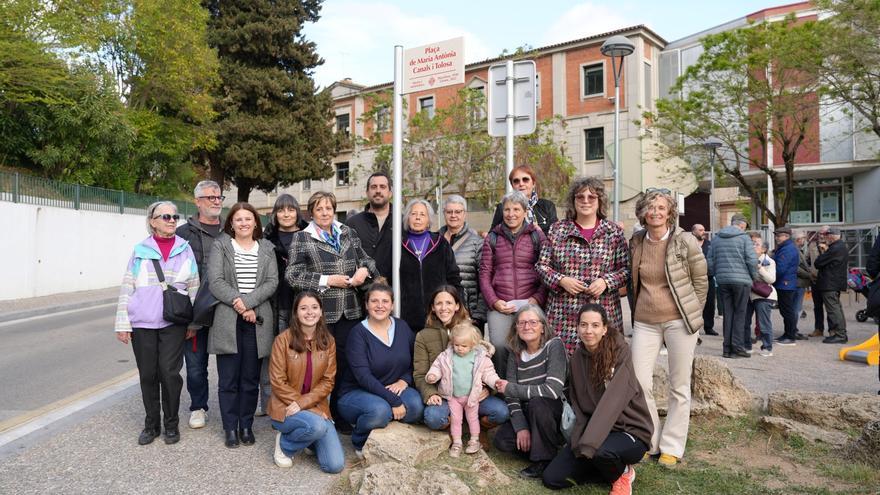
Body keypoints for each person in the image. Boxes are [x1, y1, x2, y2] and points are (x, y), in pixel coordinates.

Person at [286, 191, 379, 428]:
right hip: (319, 314)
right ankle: (312, 414)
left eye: (328, 208)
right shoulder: (302, 238)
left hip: (350, 310)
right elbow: (293, 276)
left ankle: (341, 415)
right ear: (311, 213)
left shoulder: (347, 232)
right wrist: (327, 280)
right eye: (319, 209)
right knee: (318, 366)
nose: (325, 213)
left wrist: (363, 272)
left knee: (346, 364)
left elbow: (368, 261)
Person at [628, 190, 707, 468]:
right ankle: (650, 440)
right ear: (643, 213)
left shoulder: (684, 241)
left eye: (661, 207)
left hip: (679, 322)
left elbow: (701, 280)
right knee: (638, 382)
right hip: (645, 322)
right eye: (651, 208)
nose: (656, 212)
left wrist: (693, 315)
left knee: (679, 385)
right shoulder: (636, 241)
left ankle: (672, 446)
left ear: (670, 212)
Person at [542, 304, 652, 493]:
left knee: (601, 452)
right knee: (553, 478)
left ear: (604, 329)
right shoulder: (576, 359)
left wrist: (588, 444)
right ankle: (603, 467)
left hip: (629, 430)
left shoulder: (620, 352)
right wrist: (579, 439)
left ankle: (623, 473)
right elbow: (578, 404)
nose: (588, 331)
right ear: (577, 328)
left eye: (594, 325)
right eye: (583, 325)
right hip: (595, 429)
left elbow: (612, 403)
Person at [115, 201, 199, 446]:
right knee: (148, 375)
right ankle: (151, 424)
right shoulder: (140, 250)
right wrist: (123, 323)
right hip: (142, 323)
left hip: (174, 322)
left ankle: (171, 424)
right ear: (152, 221)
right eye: (165, 216)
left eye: (175, 216)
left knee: (170, 373)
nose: (171, 220)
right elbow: (127, 286)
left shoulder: (185, 249)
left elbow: (194, 285)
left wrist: (194, 323)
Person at [208, 202, 278, 448]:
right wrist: (240, 306)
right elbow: (215, 281)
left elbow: (271, 282)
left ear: (256, 223)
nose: (244, 223)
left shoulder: (267, 248)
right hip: (228, 320)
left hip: (257, 322)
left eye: (249, 219)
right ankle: (230, 427)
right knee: (228, 379)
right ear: (231, 223)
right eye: (238, 219)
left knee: (250, 378)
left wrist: (249, 304)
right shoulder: (221, 246)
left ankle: (246, 425)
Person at [536, 177, 630, 356]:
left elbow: (625, 269)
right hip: (563, 313)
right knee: (563, 368)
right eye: (580, 197)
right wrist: (561, 280)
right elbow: (542, 266)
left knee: (603, 366)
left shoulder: (613, 232)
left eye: (591, 197)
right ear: (573, 201)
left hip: (603, 310)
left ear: (599, 201)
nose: (585, 201)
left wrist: (606, 281)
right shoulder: (557, 230)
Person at [336, 283, 424, 457]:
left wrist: (404, 380)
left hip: (393, 386)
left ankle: (383, 431)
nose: (380, 305)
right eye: (374, 301)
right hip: (357, 392)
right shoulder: (358, 334)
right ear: (366, 305)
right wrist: (394, 401)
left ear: (392, 305)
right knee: (380, 411)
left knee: (415, 406)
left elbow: (415, 361)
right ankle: (360, 440)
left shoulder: (402, 327)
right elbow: (363, 377)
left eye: (385, 301)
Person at [414, 286, 510, 432]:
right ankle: (456, 425)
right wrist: (430, 393)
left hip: (472, 394)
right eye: (439, 303)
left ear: (457, 306)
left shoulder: (472, 330)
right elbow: (420, 373)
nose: (444, 308)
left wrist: (487, 389)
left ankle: (479, 428)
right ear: (433, 307)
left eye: (449, 303)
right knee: (433, 417)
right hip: (445, 394)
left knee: (501, 412)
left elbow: (483, 365)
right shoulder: (423, 336)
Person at [267, 291, 344, 473]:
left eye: (314, 307)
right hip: (285, 408)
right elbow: (277, 382)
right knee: (316, 426)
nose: (310, 312)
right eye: (303, 308)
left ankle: (307, 439)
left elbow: (327, 382)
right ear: (296, 313)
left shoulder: (329, 341)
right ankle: (285, 445)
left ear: (321, 311)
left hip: (316, 408)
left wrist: (304, 404)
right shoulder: (282, 340)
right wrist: (305, 406)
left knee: (335, 465)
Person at [494, 305, 568, 479]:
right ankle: (545, 447)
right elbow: (511, 398)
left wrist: (509, 388)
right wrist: (522, 427)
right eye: (522, 323)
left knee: (537, 403)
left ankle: (544, 460)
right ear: (516, 328)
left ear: (543, 327)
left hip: (551, 410)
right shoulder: (515, 353)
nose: (527, 327)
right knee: (502, 441)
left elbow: (552, 390)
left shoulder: (554, 346)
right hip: (529, 413)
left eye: (533, 322)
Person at [479, 190, 547, 376]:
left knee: (533, 344)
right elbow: (484, 274)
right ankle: (503, 389)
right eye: (507, 210)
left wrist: (537, 299)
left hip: (530, 303)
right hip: (501, 303)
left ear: (525, 212)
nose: (511, 214)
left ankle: (531, 387)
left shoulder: (537, 237)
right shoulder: (492, 237)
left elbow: (546, 271)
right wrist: (494, 302)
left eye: (516, 209)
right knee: (500, 346)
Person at [176, 180, 224, 429]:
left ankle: (235, 407)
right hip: (195, 312)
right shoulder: (183, 234)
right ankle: (198, 406)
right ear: (197, 201)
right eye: (210, 197)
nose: (216, 201)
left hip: (227, 310)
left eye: (219, 197)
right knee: (195, 366)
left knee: (233, 365)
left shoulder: (232, 230)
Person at [259, 193, 308, 416]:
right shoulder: (266, 239)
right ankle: (269, 405)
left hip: (303, 305)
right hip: (275, 303)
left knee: (301, 357)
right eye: (281, 210)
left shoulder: (310, 235)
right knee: (272, 357)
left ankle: (299, 403)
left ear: (297, 211)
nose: (286, 214)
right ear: (275, 214)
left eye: (290, 209)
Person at [426, 323, 501, 457]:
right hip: (453, 397)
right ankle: (457, 442)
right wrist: (433, 375)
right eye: (456, 345)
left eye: (464, 346)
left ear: (473, 345)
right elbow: (437, 366)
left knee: (472, 419)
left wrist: (495, 382)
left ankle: (474, 440)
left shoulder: (480, 358)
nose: (459, 349)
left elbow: (488, 373)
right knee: (456, 420)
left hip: (472, 396)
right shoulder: (447, 356)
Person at [399, 198, 462, 332]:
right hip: (407, 316)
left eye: (422, 214)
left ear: (429, 220)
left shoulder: (440, 243)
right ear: (407, 218)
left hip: (439, 313)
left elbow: (453, 277)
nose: (417, 218)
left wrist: (460, 305)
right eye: (413, 214)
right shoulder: (398, 244)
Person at [706, 214, 757, 359]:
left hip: (722, 281)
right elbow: (752, 260)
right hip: (741, 281)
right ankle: (737, 347)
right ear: (742, 225)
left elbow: (709, 260)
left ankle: (727, 349)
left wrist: (717, 274)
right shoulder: (744, 238)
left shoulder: (716, 239)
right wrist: (753, 277)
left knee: (728, 314)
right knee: (740, 314)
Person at [440, 195, 487, 330]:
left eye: (458, 212)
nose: (453, 215)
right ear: (444, 214)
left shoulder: (477, 243)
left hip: (468, 314)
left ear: (465, 214)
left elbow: (484, 281)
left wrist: (478, 316)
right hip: (440, 312)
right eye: (449, 212)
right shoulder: (435, 241)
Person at [345, 172, 393, 282]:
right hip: (361, 294)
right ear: (367, 192)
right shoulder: (352, 224)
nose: (378, 191)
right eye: (373, 187)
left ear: (390, 193)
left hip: (396, 293)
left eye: (382, 187)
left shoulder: (402, 223)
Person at [490, 165, 558, 233]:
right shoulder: (503, 207)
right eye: (516, 181)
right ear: (512, 185)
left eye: (525, 180)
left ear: (533, 183)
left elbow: (555, 234)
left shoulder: (547, 206)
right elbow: (492, 235)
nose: (521, 184)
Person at [814, 228, 849, 344]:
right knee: (836, 308)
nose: (825, 237)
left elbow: (818, 263)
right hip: (834, 283)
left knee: (833, 309)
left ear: (833, 236)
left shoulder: (835, 248)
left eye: (827, 235)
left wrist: (824, 252)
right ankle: (841, 333)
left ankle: (840, 334)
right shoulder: (841, 246)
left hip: (830, 283)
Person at [745, 238, 776, 357]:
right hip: (748, 294)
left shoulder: (769, 261)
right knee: (744, 321)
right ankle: (747, 345)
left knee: (764, 322)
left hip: (763, 295)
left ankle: (767, 347)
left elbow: (771, 279)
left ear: (764, 249)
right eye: (752, 244)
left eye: (756, 244)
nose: (753, 246)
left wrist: (760, 269)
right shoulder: (747, 259)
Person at [772, 227, 801, 345]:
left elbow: (781, 268)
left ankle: (790, 336)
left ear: (787, 236)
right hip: (785, 283)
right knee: (786, 311)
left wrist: (771, 279)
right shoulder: (785, 247)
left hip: (785, 284)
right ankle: (787, 334)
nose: (776, 238)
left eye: (779, 236)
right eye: (776, 235)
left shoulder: (787, 249)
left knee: (787, 311)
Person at [692, 224, 718, 336]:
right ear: (693, 232)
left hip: (708, 278)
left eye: (704, 230)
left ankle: (709, 327)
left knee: (710, 303)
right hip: (692, 279)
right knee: (693, 304)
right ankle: (692, 327)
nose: (703, 232)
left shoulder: (710, 245)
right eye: (700, 230)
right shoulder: (690, 244)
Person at [806, 226, 830, 337]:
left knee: (831, 306)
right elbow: (807, 259)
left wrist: (826, 249)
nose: (821, 235)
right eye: (820, 233)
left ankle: (833, 330)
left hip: (828, 280)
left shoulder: (833, 245)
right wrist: (809, 272)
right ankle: (818, 329)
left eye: (824, 233)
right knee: (817, 306)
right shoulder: (812, 245)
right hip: (815, 279)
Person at [794, 230, 813, 323]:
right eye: (803, 238)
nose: (804, 241)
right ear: (799, 239)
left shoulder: (797, 249)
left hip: (799, 282)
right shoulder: (795, 250)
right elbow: (796, 268)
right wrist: (808, 275)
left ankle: (793, 329)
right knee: (797, 307)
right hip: (798, 282)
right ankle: (793, 330)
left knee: (797, 306)